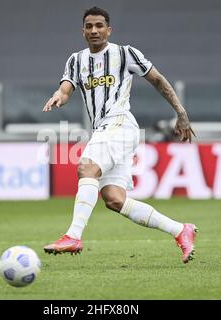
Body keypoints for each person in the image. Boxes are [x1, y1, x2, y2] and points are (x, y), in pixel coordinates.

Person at [42, 7, 197, 263]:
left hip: (120, 123)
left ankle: (73, 236)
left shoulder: (125, 53)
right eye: (89, 26)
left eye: (99, 25)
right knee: (114, 199)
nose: (94, 30)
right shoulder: (75, 60)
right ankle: (181, 230)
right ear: (83, 31)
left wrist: (181, 113)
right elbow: (67, 87)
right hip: (102, 130)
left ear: (109, 30)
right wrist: (60, 95)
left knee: (86, 168)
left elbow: (158, 80)